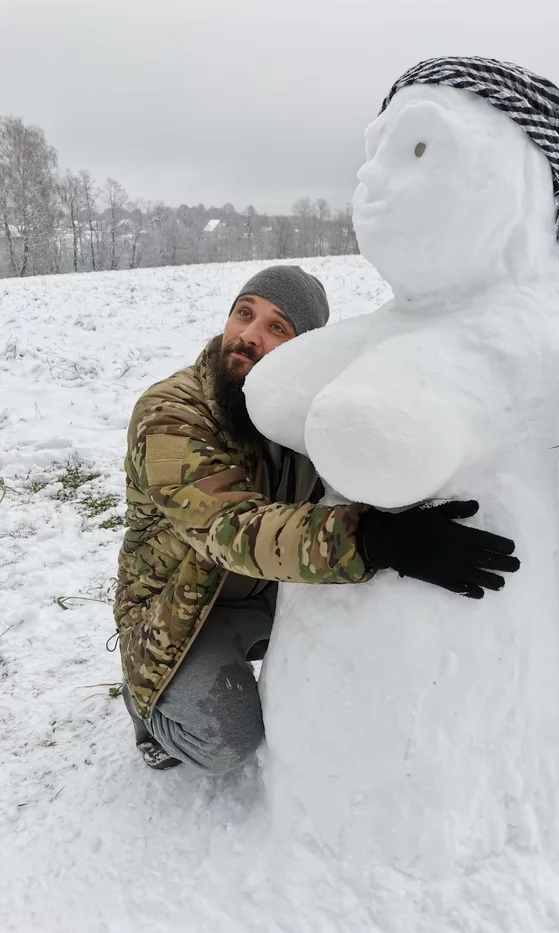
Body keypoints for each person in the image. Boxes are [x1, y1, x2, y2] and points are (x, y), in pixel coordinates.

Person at [114, 265, 520, 771]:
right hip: (183, 608)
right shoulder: (170, 414)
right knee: (226, 740)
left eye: (276, 327)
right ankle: (145, 700)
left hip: (267, 587)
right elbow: (229, 529)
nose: (247, 336)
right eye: (244, 313)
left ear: (303, 353)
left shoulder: (297, 416)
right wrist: (371, 541)